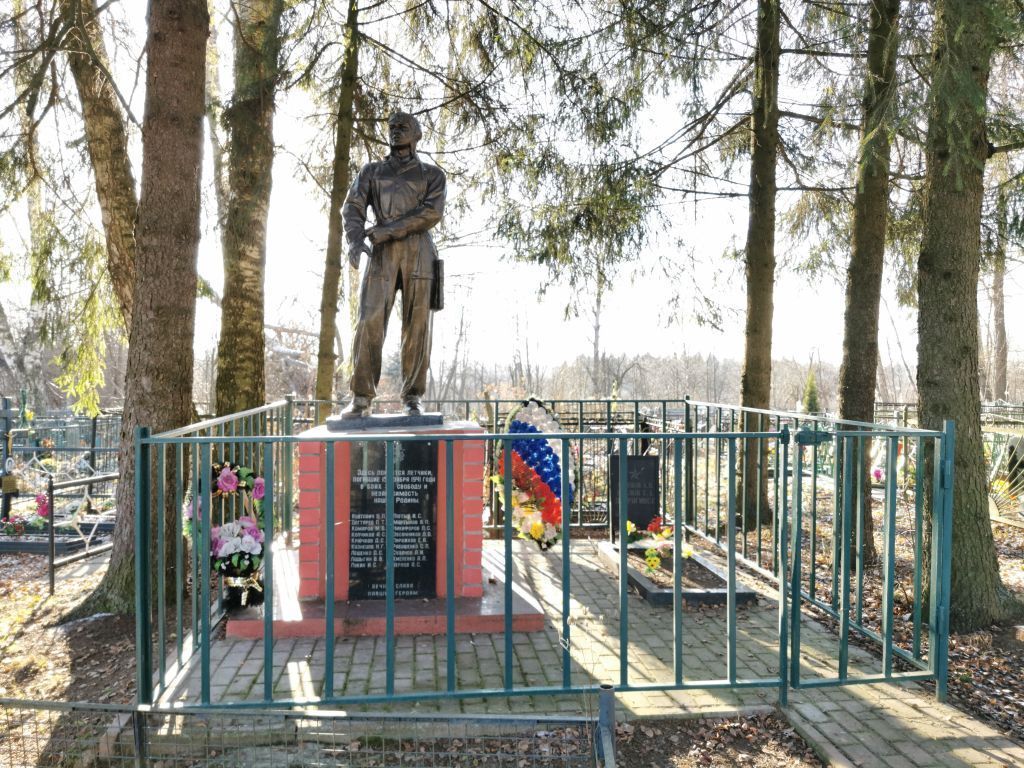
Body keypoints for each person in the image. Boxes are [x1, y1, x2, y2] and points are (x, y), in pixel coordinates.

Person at [340, 112, 446, 418]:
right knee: (369, 320)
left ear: (417, 134)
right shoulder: (372, 171)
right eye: (392, 127)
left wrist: (388, 230)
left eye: (403, 127)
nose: (396, 131)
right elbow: (353, 206)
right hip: (382, 254)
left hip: (419, 252)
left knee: (418, 326)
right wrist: (354, 239)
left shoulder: (432, 175)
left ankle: (413, 397)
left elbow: (431, 213)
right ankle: (361, 397)